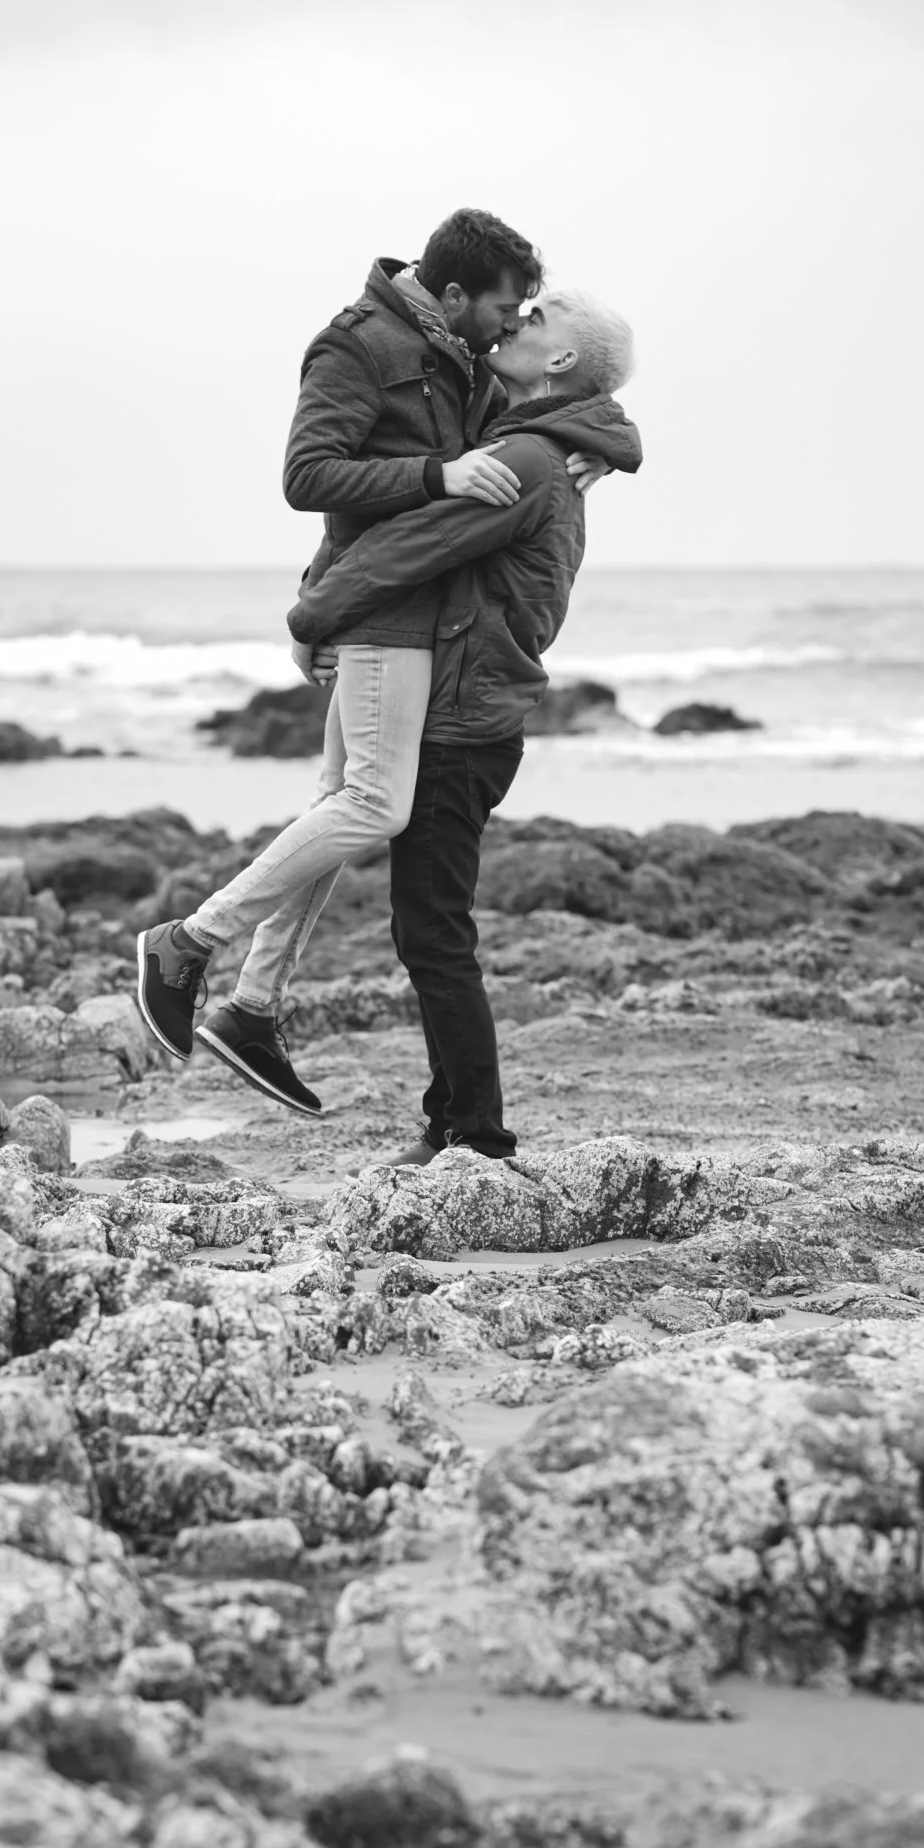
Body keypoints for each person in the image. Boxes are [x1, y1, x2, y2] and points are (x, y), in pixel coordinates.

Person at [133, 206, 543, 1104]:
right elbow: (308, 478)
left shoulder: (459, 357)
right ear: (451, 293)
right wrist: (433, 481)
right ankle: (189, 943)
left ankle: (251, 1007)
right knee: (376, 807)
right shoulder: (356, 346)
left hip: (400, 612)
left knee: (336, 806)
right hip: (385, 618)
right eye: (506, 308)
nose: (513, 325)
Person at [282, 285, 641, 1161]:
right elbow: (603, 421)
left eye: (539, 317)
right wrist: (614, 443)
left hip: (461, 718)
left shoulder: (522, 458)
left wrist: (310, 616)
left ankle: (475, 1135)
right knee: (427, 930)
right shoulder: (530, 441)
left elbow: (408, 548)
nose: (517, 320)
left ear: (559, 360)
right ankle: (451, 1119)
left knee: (435, 935)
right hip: (472, 710)